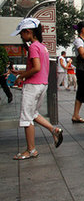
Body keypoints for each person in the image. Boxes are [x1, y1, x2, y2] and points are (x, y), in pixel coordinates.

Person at [10, 18, 63, 159]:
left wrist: (21, 77)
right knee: (33, 114)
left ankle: (31, 150)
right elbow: (39, 69)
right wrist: (21, 73)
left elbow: (36, 68)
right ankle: (54, 130)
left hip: (32, 86)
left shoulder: (33, 47)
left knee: (27, 118)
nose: (21, 36)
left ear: (29, 32)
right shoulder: (42, 47)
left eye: (22, 33)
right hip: (42, 85)